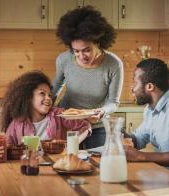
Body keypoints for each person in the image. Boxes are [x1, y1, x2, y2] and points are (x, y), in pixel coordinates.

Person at [53, 6, 123, 149]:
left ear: (98, 42)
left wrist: (101, 111)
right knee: (66, 162)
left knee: (98, 163)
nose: (81, 56)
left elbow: (113, 102)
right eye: (76, 51)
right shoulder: (64, 59)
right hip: (68, 124)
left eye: (87, 50)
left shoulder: (114, 64)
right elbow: (55, 87)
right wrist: (43, 106)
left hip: (97, 125)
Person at [0, 70, 91, 145]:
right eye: (42, 93)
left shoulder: (59, 115)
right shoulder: (17, 123)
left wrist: (72, 143)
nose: (48, 98)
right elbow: (8, 146)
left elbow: (85, 126)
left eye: (50, 95)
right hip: (30, 165)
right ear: (28, 97)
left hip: (56, 164)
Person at [123, 58, 169, 168]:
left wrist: (141, 156)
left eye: (135, 83)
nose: (132, 88)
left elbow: (139, 155)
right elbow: (137, 139)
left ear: (149, 86)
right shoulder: (150, 109)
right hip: (161, 175)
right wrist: (115, 127)